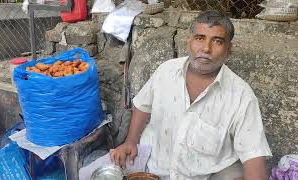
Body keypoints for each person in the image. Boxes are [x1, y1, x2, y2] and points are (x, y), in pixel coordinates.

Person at [110, 10, 272, 180]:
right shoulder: (166, 70)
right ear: (189, 41)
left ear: (228, 49)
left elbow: (254, 156)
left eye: (217, 41)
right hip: (155, 167)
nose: (206, 49)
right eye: (200, 38)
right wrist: (131, 141)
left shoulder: (241, 95)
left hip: (205, 175)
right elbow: (143, 104)